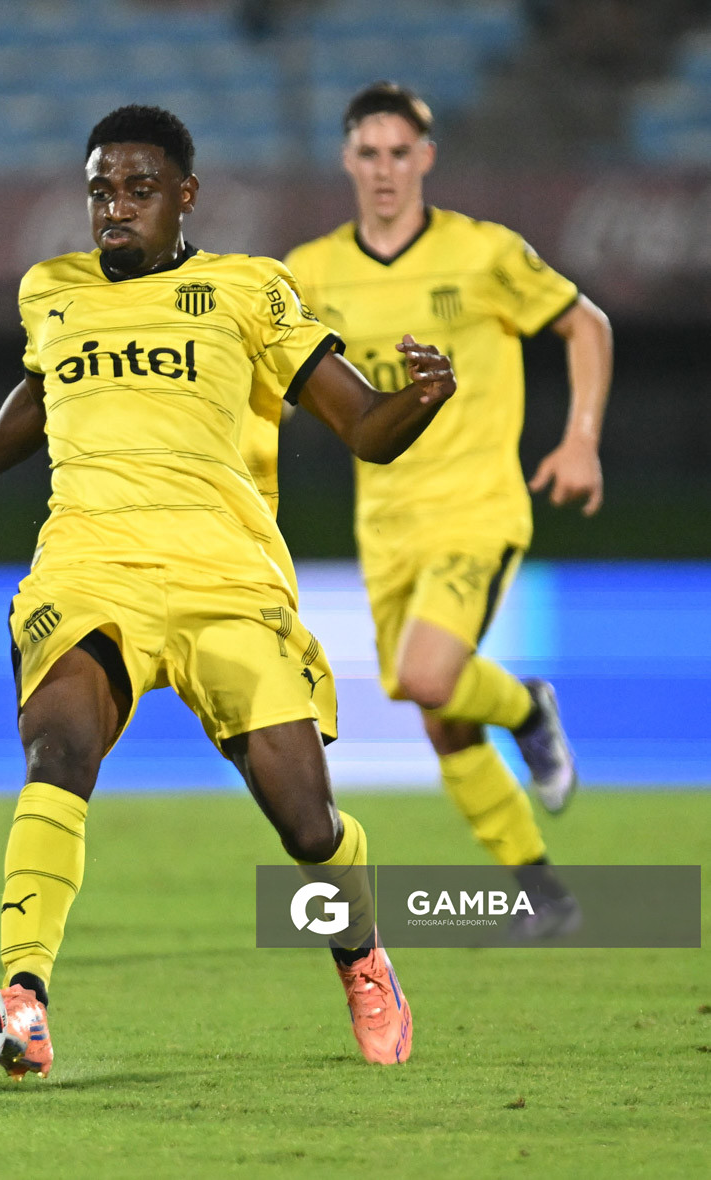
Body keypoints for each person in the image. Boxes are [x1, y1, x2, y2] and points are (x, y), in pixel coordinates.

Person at [0, 106, 459, 1076]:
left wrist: (419, 400)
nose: (115, 207)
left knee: (305, 824)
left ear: (184, 197)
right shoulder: (51, 290)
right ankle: (22, 997)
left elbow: (359, 423)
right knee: (55, 747)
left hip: (224, 576)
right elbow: (39, 397)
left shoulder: (245, 290)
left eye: (138, 189)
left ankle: (359, 955)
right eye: (100, 189)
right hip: (89, 565)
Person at [284, 83, 614, 939]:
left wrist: (579, 440)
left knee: (431, 677)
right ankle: (546, 896)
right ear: (347, 160)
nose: (385, 170)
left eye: (402, 152)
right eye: (370, 153)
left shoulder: (484, 254)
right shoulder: (311, 272)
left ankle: (531, 709)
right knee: (438, 715)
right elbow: (273, 379)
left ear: (426, 158)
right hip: (384, 524)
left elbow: (587, 327)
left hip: (475, 506)